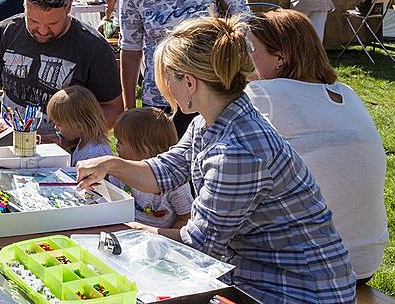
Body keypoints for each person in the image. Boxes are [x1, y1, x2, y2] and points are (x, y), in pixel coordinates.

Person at [77, 16, 355, 303]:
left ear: (188, 81)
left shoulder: (237, 152)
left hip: (298, 291)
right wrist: (111, 165)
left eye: (167, 77)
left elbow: (199, 245)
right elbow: (166, 171)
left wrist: (132, 231)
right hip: (261, 277)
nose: (165, 87)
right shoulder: (212, 121)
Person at [247, 9, 387, 283]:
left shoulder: (263, 94)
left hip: (315, 266)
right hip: (366, 256)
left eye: (251, 48)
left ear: (280, 57)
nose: (244, 57)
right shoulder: (347, 93)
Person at [118, 0, 247, 136]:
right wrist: (129, 109)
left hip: (216, 95)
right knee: (163, 168)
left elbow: (244, 25)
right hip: (162, 101)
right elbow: (130, 51)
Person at [0, 0, 123, 134]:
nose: (42, 31)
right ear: (24, 4)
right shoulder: (7, 31)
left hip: (67, 151)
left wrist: (70, 136)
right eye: (33, 21)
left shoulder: (93, 46)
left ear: (68, 8)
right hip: (10, 140)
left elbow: (113, 108)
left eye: (53, 23)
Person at [110, 108, 192, 229]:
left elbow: (186, 218)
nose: (116, 145)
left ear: (144, 150)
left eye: (121, 142)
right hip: (126, 231)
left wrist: (164, 240)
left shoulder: (175, 184)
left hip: (158, 239)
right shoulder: (121, 172)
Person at [46, 85, 110, 166]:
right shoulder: (85, 141)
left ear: (79, 126)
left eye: (59, 125)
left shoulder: (94, 155)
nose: (55, 128)